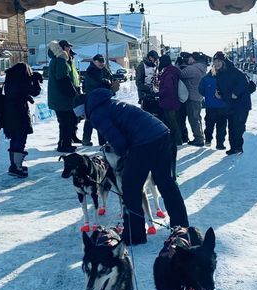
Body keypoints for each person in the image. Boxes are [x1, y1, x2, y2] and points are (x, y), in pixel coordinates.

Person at [75, 88, 189, 246]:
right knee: (166, 183)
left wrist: (122, 155)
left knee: (130, 187)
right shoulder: (108, 103)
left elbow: (119, 143)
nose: (83, 118)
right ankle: (182, 228)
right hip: (161, 133)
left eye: (81, 115)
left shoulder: (96, 114)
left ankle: (135, 234)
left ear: (84, 110)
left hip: (144, 142)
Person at [2, 62, 43, 177]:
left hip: (8, 114)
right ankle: (17, 167)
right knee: (20, 139)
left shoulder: (10, 79)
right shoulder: (21, 82)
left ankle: (14, 165)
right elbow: (35, 91)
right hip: (19, 114)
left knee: (14, 139)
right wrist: (35, 79)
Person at [213, 51, 251, 155]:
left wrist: (236, 93)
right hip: (230, 104)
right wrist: (219, 94)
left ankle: (240, 147)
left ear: (223, 61)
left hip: (241, 104)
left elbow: (244, 83)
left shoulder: (233, 71)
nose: (216, 64)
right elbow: (222, 88)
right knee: (231, 126)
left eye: (218, 61)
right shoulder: (219, 74)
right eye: (215, 62)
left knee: (238, 126)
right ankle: (233, 147)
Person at [48, 39, 79, 153]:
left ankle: (64, 143)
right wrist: (73, 94)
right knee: (67, 122)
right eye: (68, 47)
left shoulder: (55, 59)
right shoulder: (60, 60)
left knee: (66, 121)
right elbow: (63, 79)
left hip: (58, 97)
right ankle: (64, 145)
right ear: (63, 48)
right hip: (62, 98)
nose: (69, 49)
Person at [81, 54, 113, 146]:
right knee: (91, 119)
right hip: (92, 97)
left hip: (102, 97)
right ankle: (87, 139)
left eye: (103, 61)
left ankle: (102, 141)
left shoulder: (103, 69)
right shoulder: (91, 70)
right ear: (94, 61)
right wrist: (107, 82)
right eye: (99, 61)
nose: (102, 63)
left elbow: (110, 77)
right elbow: (98, 82)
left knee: (100, 118)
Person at [178, 51, 207, 146]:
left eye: (189, 58)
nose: (187, 60)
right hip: (198, 96)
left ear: (193, 59)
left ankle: (198, 139)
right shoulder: (201, 67)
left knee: (193, 119)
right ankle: (200, 137)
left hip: (192, 97)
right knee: (197, 118)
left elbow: (180, 74)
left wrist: (179, 65)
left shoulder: (193, 69)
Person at [198, 65, 227, 150]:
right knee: (221, 125)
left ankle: (208, 140)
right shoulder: (224, 78)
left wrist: (208, 95)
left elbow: (200, 90)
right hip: (222, 105)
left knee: (209, 124)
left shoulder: (205, 79)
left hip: (210, 106)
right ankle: (220, 143)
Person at [158, 54, 182, 146]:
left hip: (169, 102)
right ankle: (176, 140)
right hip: (174, 101)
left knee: (171, 122)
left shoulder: (169, 73)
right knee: (174, 121)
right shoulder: (172, 71)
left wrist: (158, 93)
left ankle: (176, 141)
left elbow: (168, 89)